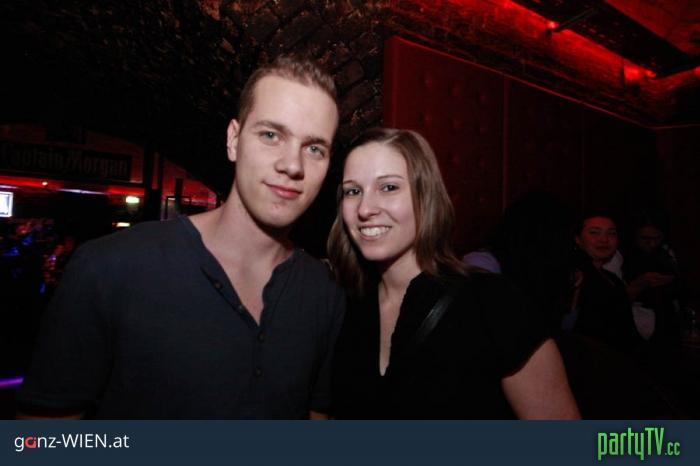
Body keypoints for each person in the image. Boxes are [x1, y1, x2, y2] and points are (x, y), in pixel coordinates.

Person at [17, 56, 346, 419]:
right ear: (233, 140)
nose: (293, 165)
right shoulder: (110, 268)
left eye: (314, 148)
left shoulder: (323, 292)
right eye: (271, 135)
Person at [328, 128, 579, 419]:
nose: (365, 208)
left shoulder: (492, 302)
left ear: (426, 196)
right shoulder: (344, 304)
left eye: (389, 187)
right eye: (353, 191)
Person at [567, 215, 643, 353]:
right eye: (594, 232)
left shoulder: (613, 278)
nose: (604, 240)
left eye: (611, 233)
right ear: (577, 239)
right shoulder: (574, 273)